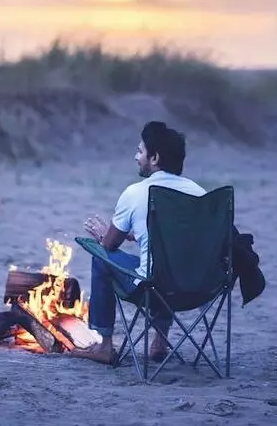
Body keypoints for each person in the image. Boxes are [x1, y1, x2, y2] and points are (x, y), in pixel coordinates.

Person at [73, 121, 205, 364]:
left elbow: (110, 246)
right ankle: (160, 342)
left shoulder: (136, 192)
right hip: (200, 289)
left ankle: (104, 346)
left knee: (101, 257)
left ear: (154, 157)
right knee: (168, 264)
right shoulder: (201, 195)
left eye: (140, 151)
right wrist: (138, 235)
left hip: (153, 289)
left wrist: (104, 235)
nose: (136, 157)